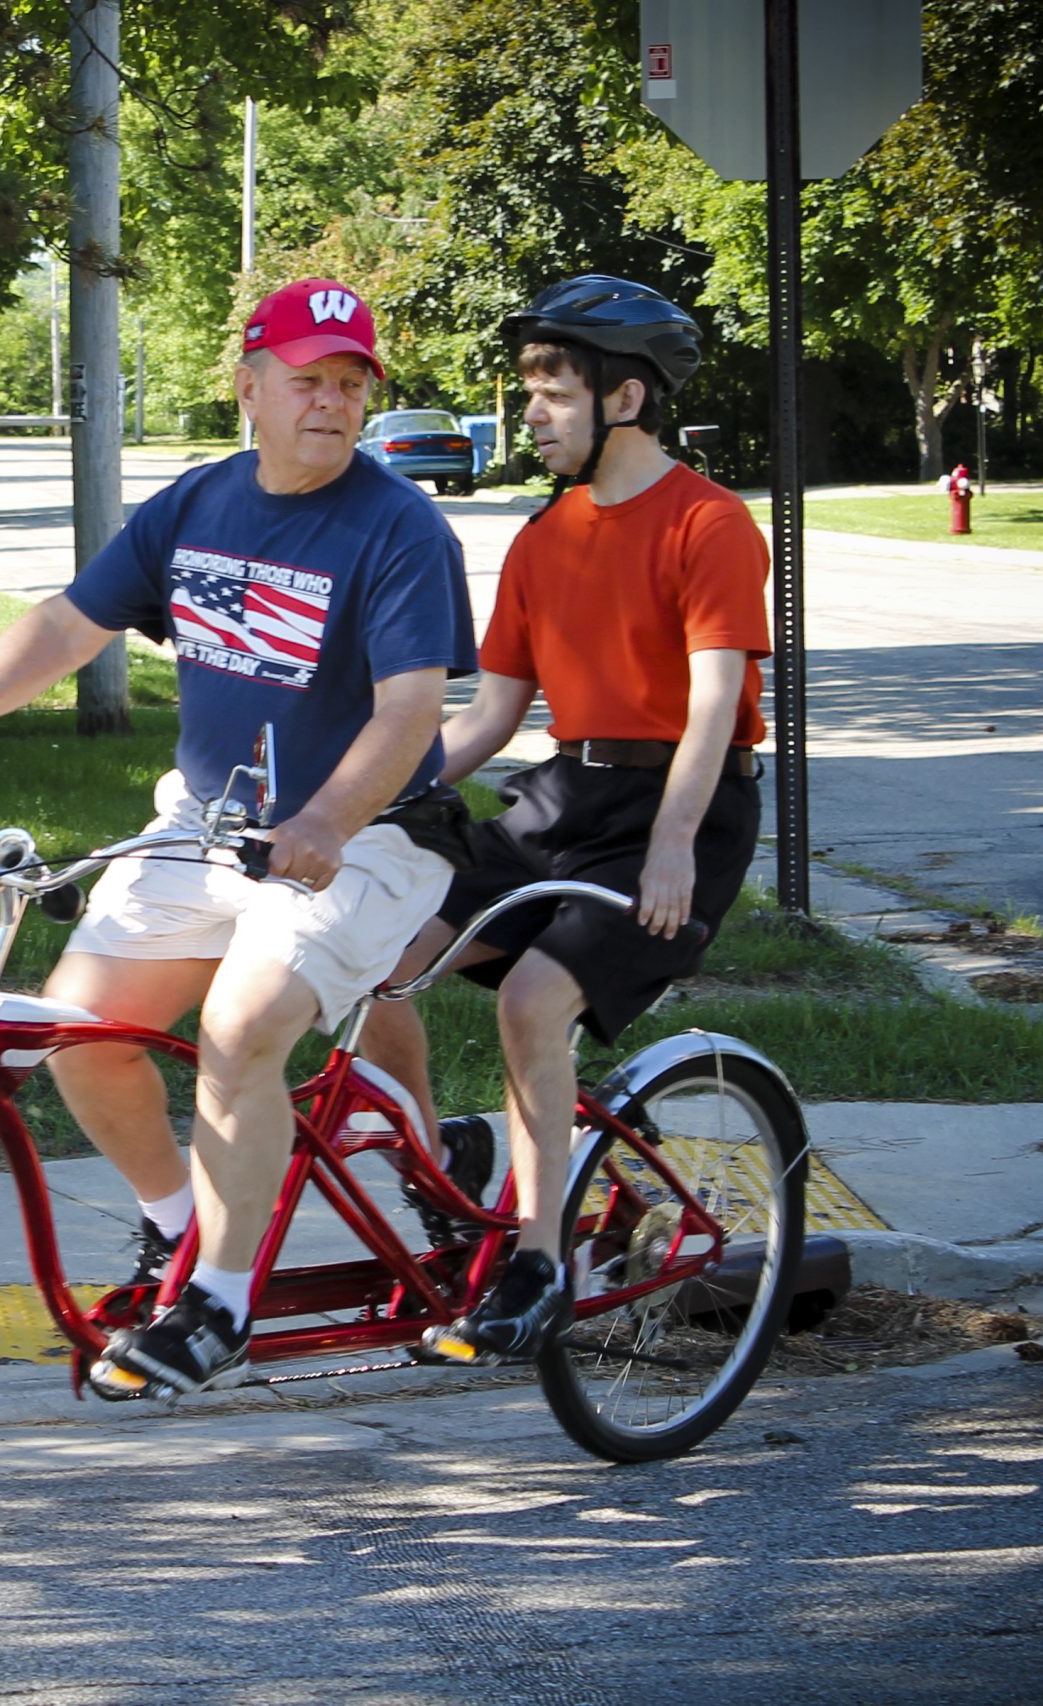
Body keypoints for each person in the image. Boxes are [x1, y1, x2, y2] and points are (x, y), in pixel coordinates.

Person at [0, 278, 476, 1399]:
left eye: (351, 383)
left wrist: (327, 819)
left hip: (368, 837)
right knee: (78, 1034)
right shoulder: (196, 504)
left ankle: (221, 1306)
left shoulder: (399, 527)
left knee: (241, 1029)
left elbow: (409, 711)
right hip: (206, 826)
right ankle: (181, 1228)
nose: (332, 402)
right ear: (249, 387)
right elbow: (68, 624)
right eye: (308, 380)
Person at [363, 275, 772, 1367]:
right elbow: (491, 715)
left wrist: (674, 844)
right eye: (530, 390)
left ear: (624, 399)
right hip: (563, 797)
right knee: (369, 959)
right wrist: (370, 791)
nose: (531, 413)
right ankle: (448, 1167)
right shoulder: (545, 538)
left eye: (553, 392)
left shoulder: (710, 522)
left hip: (682, 807)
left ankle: (536, 1266)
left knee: (532, 1002)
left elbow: (715, 707)